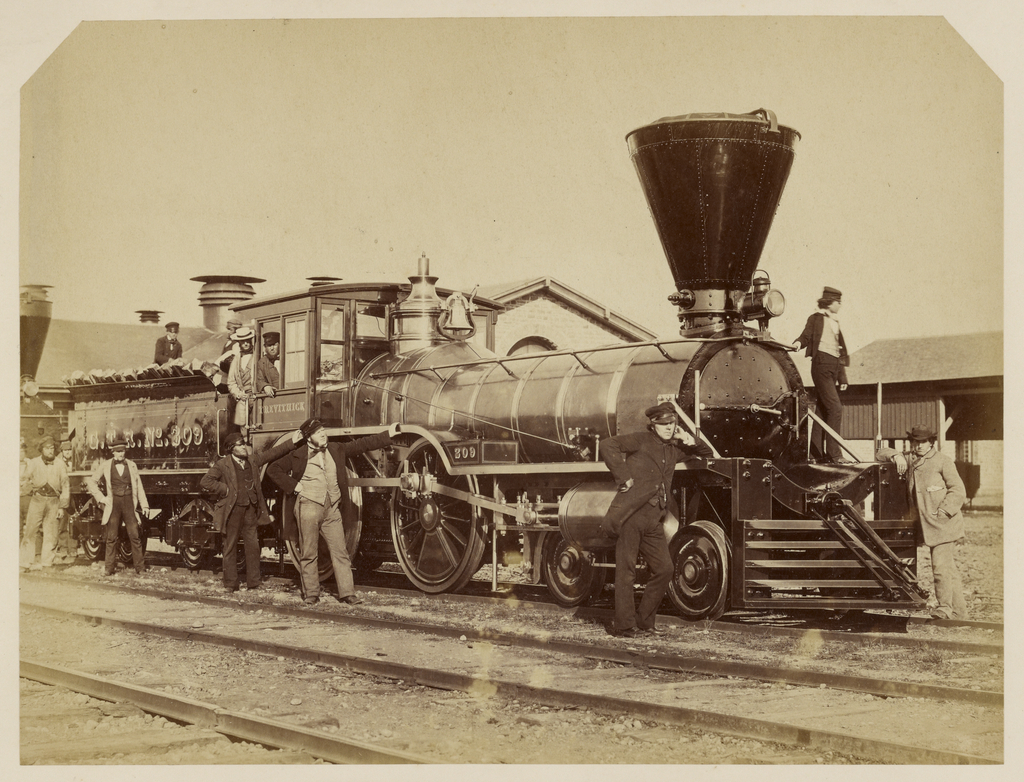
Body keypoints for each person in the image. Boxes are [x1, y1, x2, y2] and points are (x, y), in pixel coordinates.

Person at [600, 402, 713, 637]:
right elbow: (607, 444)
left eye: (672, 424)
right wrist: (623, 478)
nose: (669, 428)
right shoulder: (641, 440)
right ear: (653, 425)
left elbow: (706, 453)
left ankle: (645, 622)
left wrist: (689, 438)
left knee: (664, 569)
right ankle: (624, 626)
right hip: (631, 516)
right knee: (626, 571)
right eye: (664, 424)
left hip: (654, 518)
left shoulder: (673, 448)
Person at [268, 417, 400, 605]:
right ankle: (311, 593)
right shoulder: (297, 454)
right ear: (308, 438)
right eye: (317, 433)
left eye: (323, 431)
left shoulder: (336, 449)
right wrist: (294, 486)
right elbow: (274, 469)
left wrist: (389, 434)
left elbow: (362, 444)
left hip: (332, 509)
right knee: (308, 552)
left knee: (341, 552)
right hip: (309, 507)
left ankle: (347, 593)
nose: (323, 435)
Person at [876, 425, 968, 620]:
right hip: (927, 525)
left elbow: (958, 490)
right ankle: (959, 613)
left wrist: (944, 510)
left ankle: (944, 609)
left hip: (944, 523)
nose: (918, 445)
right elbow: (880, 453)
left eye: (922, 442)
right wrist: (896, 456)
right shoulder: (910, 458)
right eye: (915, 441)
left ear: (931, 442)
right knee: (948, 569)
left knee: (940, 568)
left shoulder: (943, 461)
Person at [200, 429, 304, 593]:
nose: (244, 447)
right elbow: (206, 481)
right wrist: (224, 489)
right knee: (230, 547)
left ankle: (254, 583)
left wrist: (292, 442)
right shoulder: (223, 464)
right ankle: (230, 584)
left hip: (250, 510)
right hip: (232, 511)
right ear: (231, 448)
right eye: (240, 445)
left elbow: (272, 454)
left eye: (244, 444)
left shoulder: (252, 460)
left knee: (253, 546)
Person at [793, 286, 850, 463]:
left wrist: (842, 377)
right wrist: (797, 343)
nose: (840, 305)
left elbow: (840, 351)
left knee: (823, 410)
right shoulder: (815, 319)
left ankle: (815, 454)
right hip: (821, 366)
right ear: (829, 302)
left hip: (833, 368)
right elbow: (806, 336)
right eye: (837, 302)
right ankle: (835, 454)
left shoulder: (836, 323)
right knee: (836, 408)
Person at [85, 437, 150, 576]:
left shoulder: (132, 465)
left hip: (128, 503)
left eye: (123, 451)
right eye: (118, 451)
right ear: (113, 452)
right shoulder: (106, 465)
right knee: (111, 536)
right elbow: (92, 482)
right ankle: (109, 568)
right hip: (113, 504)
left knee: (135, 535)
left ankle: (140, 568)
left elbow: (139, 487)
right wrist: (102, 498)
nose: (121, 454)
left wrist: (145, 505)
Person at [19, 435, 69, 571]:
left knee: (51, 534)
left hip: (54, 502)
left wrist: (62, 507)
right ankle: (24, 563)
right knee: (30, 531)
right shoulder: (34, 463)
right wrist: (24, 487)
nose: (50, 451)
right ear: (41, 449)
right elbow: (24, 479)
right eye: (47, 448)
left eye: (52, 448)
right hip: (37, 500)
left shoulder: (60, 464)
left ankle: (47, 563)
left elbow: (65, 486)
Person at [226, 327, 258, 432]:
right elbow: (231, 382)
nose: (245, 343)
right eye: (242, 341)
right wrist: (239, 394)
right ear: (239, 343)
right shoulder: (236, 360)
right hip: (242, 399)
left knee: (257, 427)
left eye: (247, 341)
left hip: (257, 398)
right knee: (244, 430)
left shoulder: (257, 356)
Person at [54, 440, 78, 564]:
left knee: (73, 520)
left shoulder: (77, 460)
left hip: (74, 494)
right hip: (62, 495)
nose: (68, 452)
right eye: (65, 450)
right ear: (62, 451)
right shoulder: (57, 462)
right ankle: (63, 548)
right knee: (62, 522)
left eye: (69, 450)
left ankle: (73, 548)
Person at [255, 331, 281, 396]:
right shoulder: (262, 362)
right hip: (273, 398)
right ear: (265, 347)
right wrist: (265, 386)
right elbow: (259, 380)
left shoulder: (288, 358)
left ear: (280, 344)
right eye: (269, 346)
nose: (272, 348)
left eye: (274, 345)